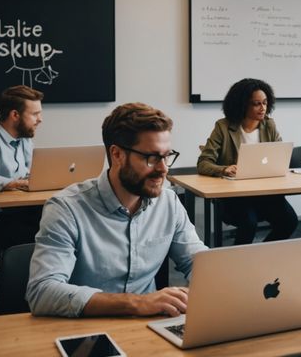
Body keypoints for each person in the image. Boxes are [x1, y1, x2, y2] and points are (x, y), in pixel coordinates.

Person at [27, 103, 207, 318]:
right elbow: (42, 291)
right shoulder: (66, 208)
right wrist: (135, 303)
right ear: (117, 154)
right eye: (151, 158)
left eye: (166, 156)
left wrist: (229, 282)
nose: (163, 169)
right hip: (84, 328)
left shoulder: (168, 203)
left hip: (148, 326)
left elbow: (197, 262)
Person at [197, 78, 297, 245]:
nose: (263, 108)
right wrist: (224, 169)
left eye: (265, 102)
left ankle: (260, 256)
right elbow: (203, 163)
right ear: (242, 105)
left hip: (265, 193)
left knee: (289, 221)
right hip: (236, 196)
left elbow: (280, 156)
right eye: (256, 103)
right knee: (248, 223)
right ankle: (239, 265)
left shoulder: (269, 125)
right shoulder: (223, 127)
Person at [0, 86, 45, 254]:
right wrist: (19, 183)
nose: (40, 119)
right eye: (35, 114)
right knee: (40, 233)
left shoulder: (23, 138)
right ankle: (21, 279)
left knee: (55, 217)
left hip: (12, 211)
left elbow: (30, 173)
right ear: (15, 115)